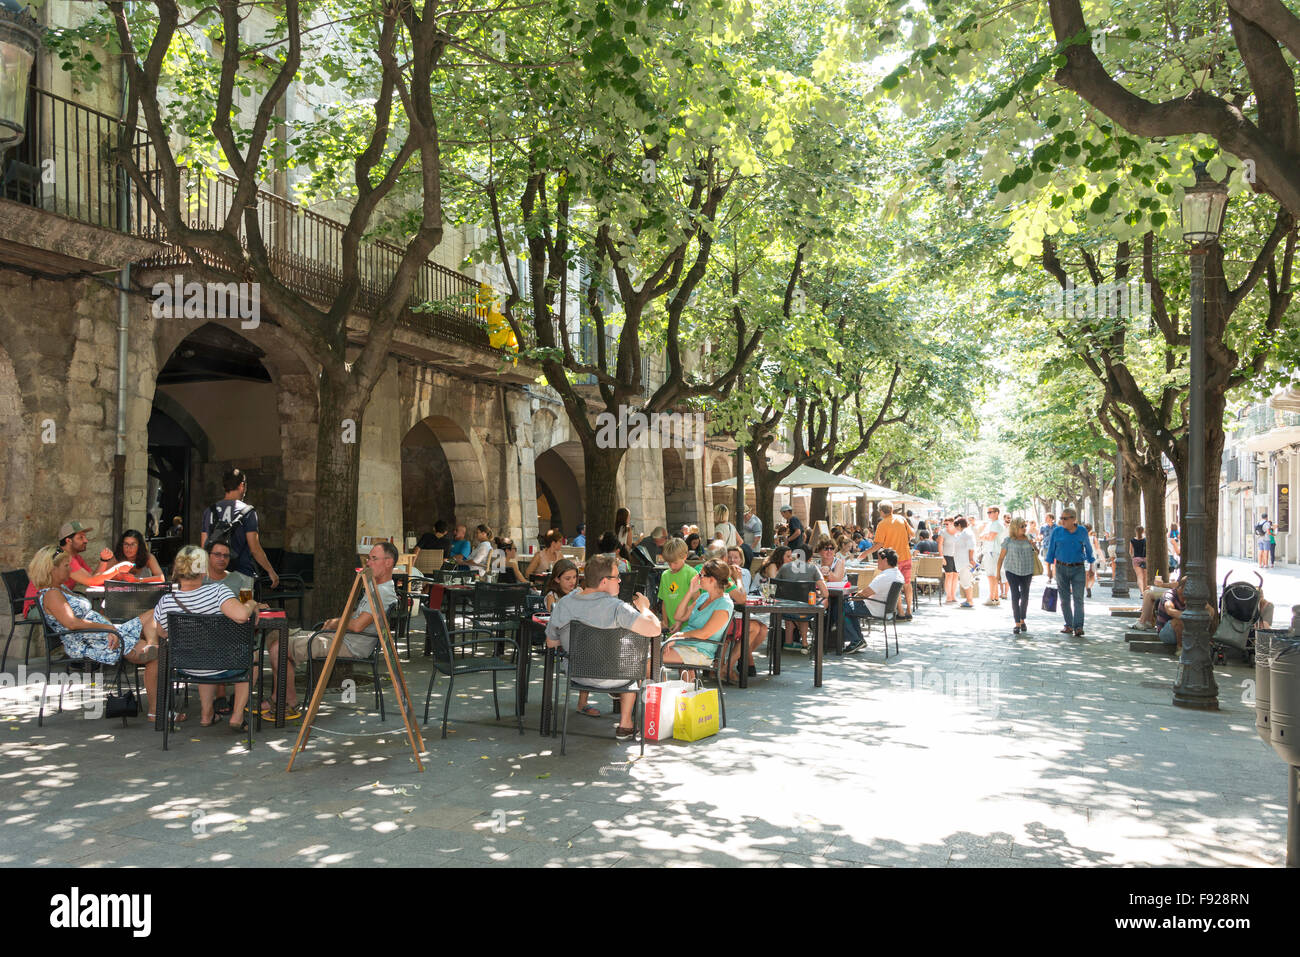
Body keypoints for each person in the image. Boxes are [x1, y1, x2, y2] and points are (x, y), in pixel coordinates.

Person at [28, 544, 165, 722]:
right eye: (65, 566)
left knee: (154, 613)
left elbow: (89, 617)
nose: (69, 569)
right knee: (157, 655)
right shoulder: (52, 594)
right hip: (92, 642)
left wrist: (110, 627)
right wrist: (109, 629)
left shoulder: (61, 589)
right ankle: (156, 711)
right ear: (52, 569)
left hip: (100, 634)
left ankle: (151, 644)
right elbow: (72, 623)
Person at [544, 554, 661, 740]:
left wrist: (574, 640)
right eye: (617, 577)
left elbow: (550, 642)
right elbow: (654, 629)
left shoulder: (563, 604)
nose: (620, 580)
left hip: (577, 674)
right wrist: (645, 608)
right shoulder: (618, 609)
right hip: (617, 676)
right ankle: (625, 724)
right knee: (637, 657)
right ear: (605, 581)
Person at [277, 543, 400, 718]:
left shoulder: (383, 592)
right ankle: (280, 699)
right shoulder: (374, 585)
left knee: (280, 648)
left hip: (350, 644)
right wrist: (336, 623)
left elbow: (358, 626)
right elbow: (358, 617)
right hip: (342, 638)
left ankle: (285, 702)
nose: (368, 563)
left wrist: (336, 622)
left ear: (388, 563)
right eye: (368, 558)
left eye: (374, 558)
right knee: (279, 636)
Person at [152, 545, 259, 730]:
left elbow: (161, 633)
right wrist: (251, 603)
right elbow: (242, 616)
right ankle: (237, 715)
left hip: (186, 665)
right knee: (253, 656)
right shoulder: (218, 592)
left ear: (177, 570)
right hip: (221, 664)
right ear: (204, 570)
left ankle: (206, 714)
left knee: (202, 653)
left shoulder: (165, 601)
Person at [200, 469, 279, 589]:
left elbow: (204, 547)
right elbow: (255, 549)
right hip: (242, 574)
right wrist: (271, 571)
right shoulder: (248, 512)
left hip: (214, 574)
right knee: (244, 606)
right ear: (242, 485)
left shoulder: (209, 511)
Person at [663, 559, 736, 680]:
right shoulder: (703, 597)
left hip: (700, 651)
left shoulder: (724, 604)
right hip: (685, 645)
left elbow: (704, 633)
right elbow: (679, 617)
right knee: (647, 656)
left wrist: (678, 635)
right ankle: (664, 693)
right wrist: (690, 591)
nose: (698, 577)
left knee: (650, 659)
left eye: (701, 575)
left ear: (712, 580)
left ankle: (659, 695)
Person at [841, 547, 906, 653]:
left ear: (885, 560)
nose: (877, 562)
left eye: (879, 559)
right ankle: (857, 639)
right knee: (849, 606)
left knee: (841, 607)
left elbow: (865, 593)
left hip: (875, 607)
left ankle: (856, 639)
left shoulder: (885, 576)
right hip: (886, 609)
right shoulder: (897, 573)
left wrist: (853, 596)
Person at [1045, 508, 1095, 637]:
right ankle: (1069, 624)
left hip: (1078, 568)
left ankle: (1078, 626)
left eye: (1065, 518)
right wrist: (1049, 569)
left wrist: (1091, 567)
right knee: (1064, 599)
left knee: (1078, 598)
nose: (1062, 521)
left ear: (1073, 519)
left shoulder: (1082, 531)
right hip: (1061, 568)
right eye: (1061, 518)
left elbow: (1088, 549)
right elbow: (1051, 550)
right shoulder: (1057, 531)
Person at [724, 545, 767, 680]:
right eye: (729, 557)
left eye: (735, 557)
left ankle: (741, 656)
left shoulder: (745, 573)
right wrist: (735, 577)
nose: (732, 560)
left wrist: (739, 577)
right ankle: (729, 666)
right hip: (730, 611)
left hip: (741, 610)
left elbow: (745, 594)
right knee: (754, 628)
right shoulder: (723, 573)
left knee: (764, 629)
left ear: (741, 560)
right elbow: (736, 597)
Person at [775, 545, 828, 651]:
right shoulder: (813, 568)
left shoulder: (785, 567)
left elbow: (776, 585)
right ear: (810, 558)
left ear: (797, 555)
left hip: (784, 608)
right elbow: (825, 593)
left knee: (796, 603)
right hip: (805, 609)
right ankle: (805, 642)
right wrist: (817, 594)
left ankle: (788, 642)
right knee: (807, 605)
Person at [867, 503, 914, 618]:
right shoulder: (902, 519)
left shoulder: (882, 524)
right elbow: (912, 534)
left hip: (893, 559)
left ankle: (901, 613)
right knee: (907, 585)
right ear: (892, 510)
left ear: (881, 511)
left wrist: (865, 553)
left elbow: (879, 544)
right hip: (906, 556)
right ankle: (909, 611)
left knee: (894, 585)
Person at [996, 517, 1037, 635]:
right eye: (1022, 526)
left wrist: (1033, 544)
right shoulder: (1008, 540)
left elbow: (1037, 552)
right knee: (1015, 595)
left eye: (1025, 526)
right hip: (1012, 571)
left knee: (1025, 596)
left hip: (1027, 570)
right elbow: (1001, 558)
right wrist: (998, 573)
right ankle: (1017, 623)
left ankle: (1022, 619)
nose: (1024, 528)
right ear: (1015, 527)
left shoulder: (1029, 538)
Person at [657, 538, 696, 628]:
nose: (672, 566)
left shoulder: (691, 573)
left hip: (688, 626)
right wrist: (665, 622)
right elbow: (664, 601)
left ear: (685, 556)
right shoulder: (665, 575)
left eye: (675, 563)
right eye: (669, 563)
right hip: (671, 626)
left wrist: (681, 621)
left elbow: (696, 602)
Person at [98, 529, 165, 582]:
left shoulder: (148, 557)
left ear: (139, 546)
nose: (129, 548)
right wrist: (115, 576)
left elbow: (161, 578)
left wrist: (138, 580)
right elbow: (98, 577)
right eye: (126, 544)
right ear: (121, 545)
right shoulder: (116, 558)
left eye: (133, 544)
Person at [978, 506, 1008, 606]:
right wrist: (985, 535)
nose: (989, 514)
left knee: (992, 576)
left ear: (997, 513)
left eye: (990, 512)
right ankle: (995, 598)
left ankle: (992, 597)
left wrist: (984, 536)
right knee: (992, 576)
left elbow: (989, 537)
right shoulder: (991, 524)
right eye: (988, 512)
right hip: (991, 551)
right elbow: (982, 535)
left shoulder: (996, 524)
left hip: (994, 552)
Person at [1156, 577, 1188, 651]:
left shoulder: (1193, 597)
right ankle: (1180, 648)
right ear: (1182, 588)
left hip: (1186, 631)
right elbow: (1170, 610)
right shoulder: (1169, 594)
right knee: (1178, 621)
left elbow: (1210, 610)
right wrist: (1189, 616)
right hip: (1166, 633)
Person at [1130, 525, 1148, 593]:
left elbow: (1130, 551)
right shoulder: (1145, 540)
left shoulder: (1132, 540)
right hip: (1145, 559)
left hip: (1136, 559)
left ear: (1136, 531)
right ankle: (1145, 591)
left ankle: (1142, 593)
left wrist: (1133, 557)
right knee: (1145, 577)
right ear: (1143, 531)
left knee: (1139, 577)